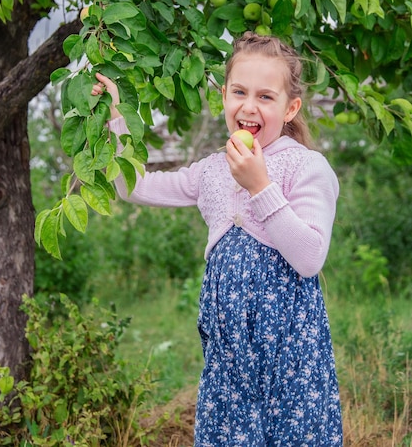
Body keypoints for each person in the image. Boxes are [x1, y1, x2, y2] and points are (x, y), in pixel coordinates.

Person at [91, 31, 343, 446]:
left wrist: (260, 187)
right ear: (223, 95)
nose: (249, 106)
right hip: (230, 355)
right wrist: (116, 118)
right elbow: (132, 187)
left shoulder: (306, 166)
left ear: (290, 107)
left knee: (295, 433)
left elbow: (310, 257)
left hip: (290, 351)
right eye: (239, 92)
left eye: (266, 97)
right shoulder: (211, 169)